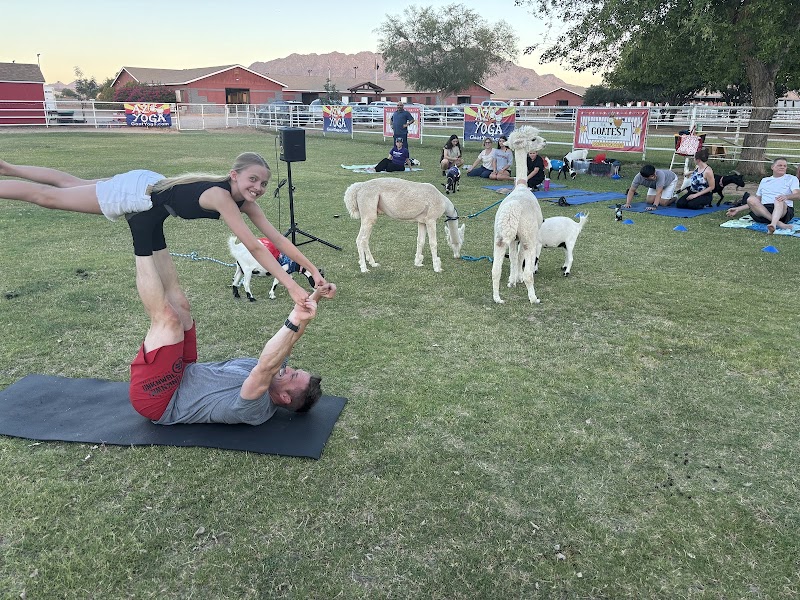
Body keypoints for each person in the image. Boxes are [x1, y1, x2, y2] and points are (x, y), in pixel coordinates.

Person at [0, 154, 325, 305]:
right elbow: (255, 247)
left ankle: (7, 167)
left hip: (147, 182)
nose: (258, 187)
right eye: (252, 179)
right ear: (234, 175)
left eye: (264, 183)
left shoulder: (245, 203)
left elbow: (278, 239)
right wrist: (292, 287)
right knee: (50, 197)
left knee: (68, 183)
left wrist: (311, 270)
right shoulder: (221, 196)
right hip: (136, 194)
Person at [128, 237, 337, 423]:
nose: (289, 369)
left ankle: (140, 235)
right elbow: (291, 340)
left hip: (160, 400)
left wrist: (294, 317)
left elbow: (263, 367)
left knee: (169, 320)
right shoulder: (277, 375)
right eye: (295, 370)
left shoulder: (256, 408)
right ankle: (152, 230)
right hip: (185, 370)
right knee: (181, 306)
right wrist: (316, 295)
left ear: (285, 397)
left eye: (292, 376)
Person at [726, 157, 799, 233]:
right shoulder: (764, 180)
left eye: (785, 166)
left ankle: (773, 224)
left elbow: (798, 195)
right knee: (750, 199)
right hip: (763, 211)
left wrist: (786, 197)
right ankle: (779, 224)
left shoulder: (791, 178)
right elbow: (757, 201)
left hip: (783, 211)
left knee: (778, 199)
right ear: (772, 167)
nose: (782, 167)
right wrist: (738, 209)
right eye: (779, 165)